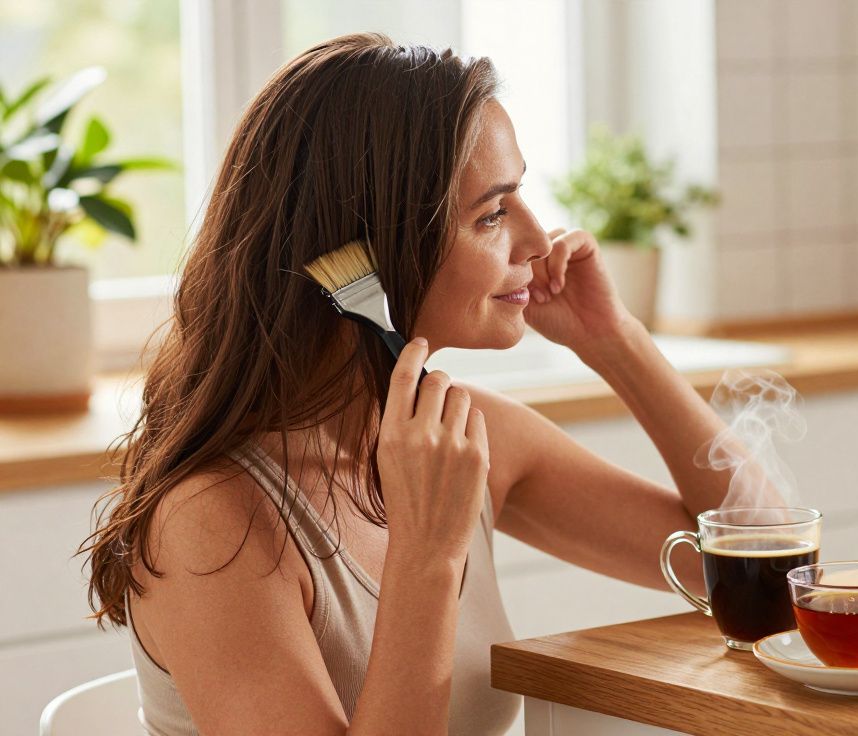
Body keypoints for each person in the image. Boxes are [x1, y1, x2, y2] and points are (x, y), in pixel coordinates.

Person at [82, 33, 759, 735]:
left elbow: (753, 580)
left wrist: (616, 342)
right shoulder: (215, 524)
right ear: (368, 253)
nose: (535, 240)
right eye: (493, 214)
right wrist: (428, 553)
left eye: (518, 198)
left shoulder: (472, 439)